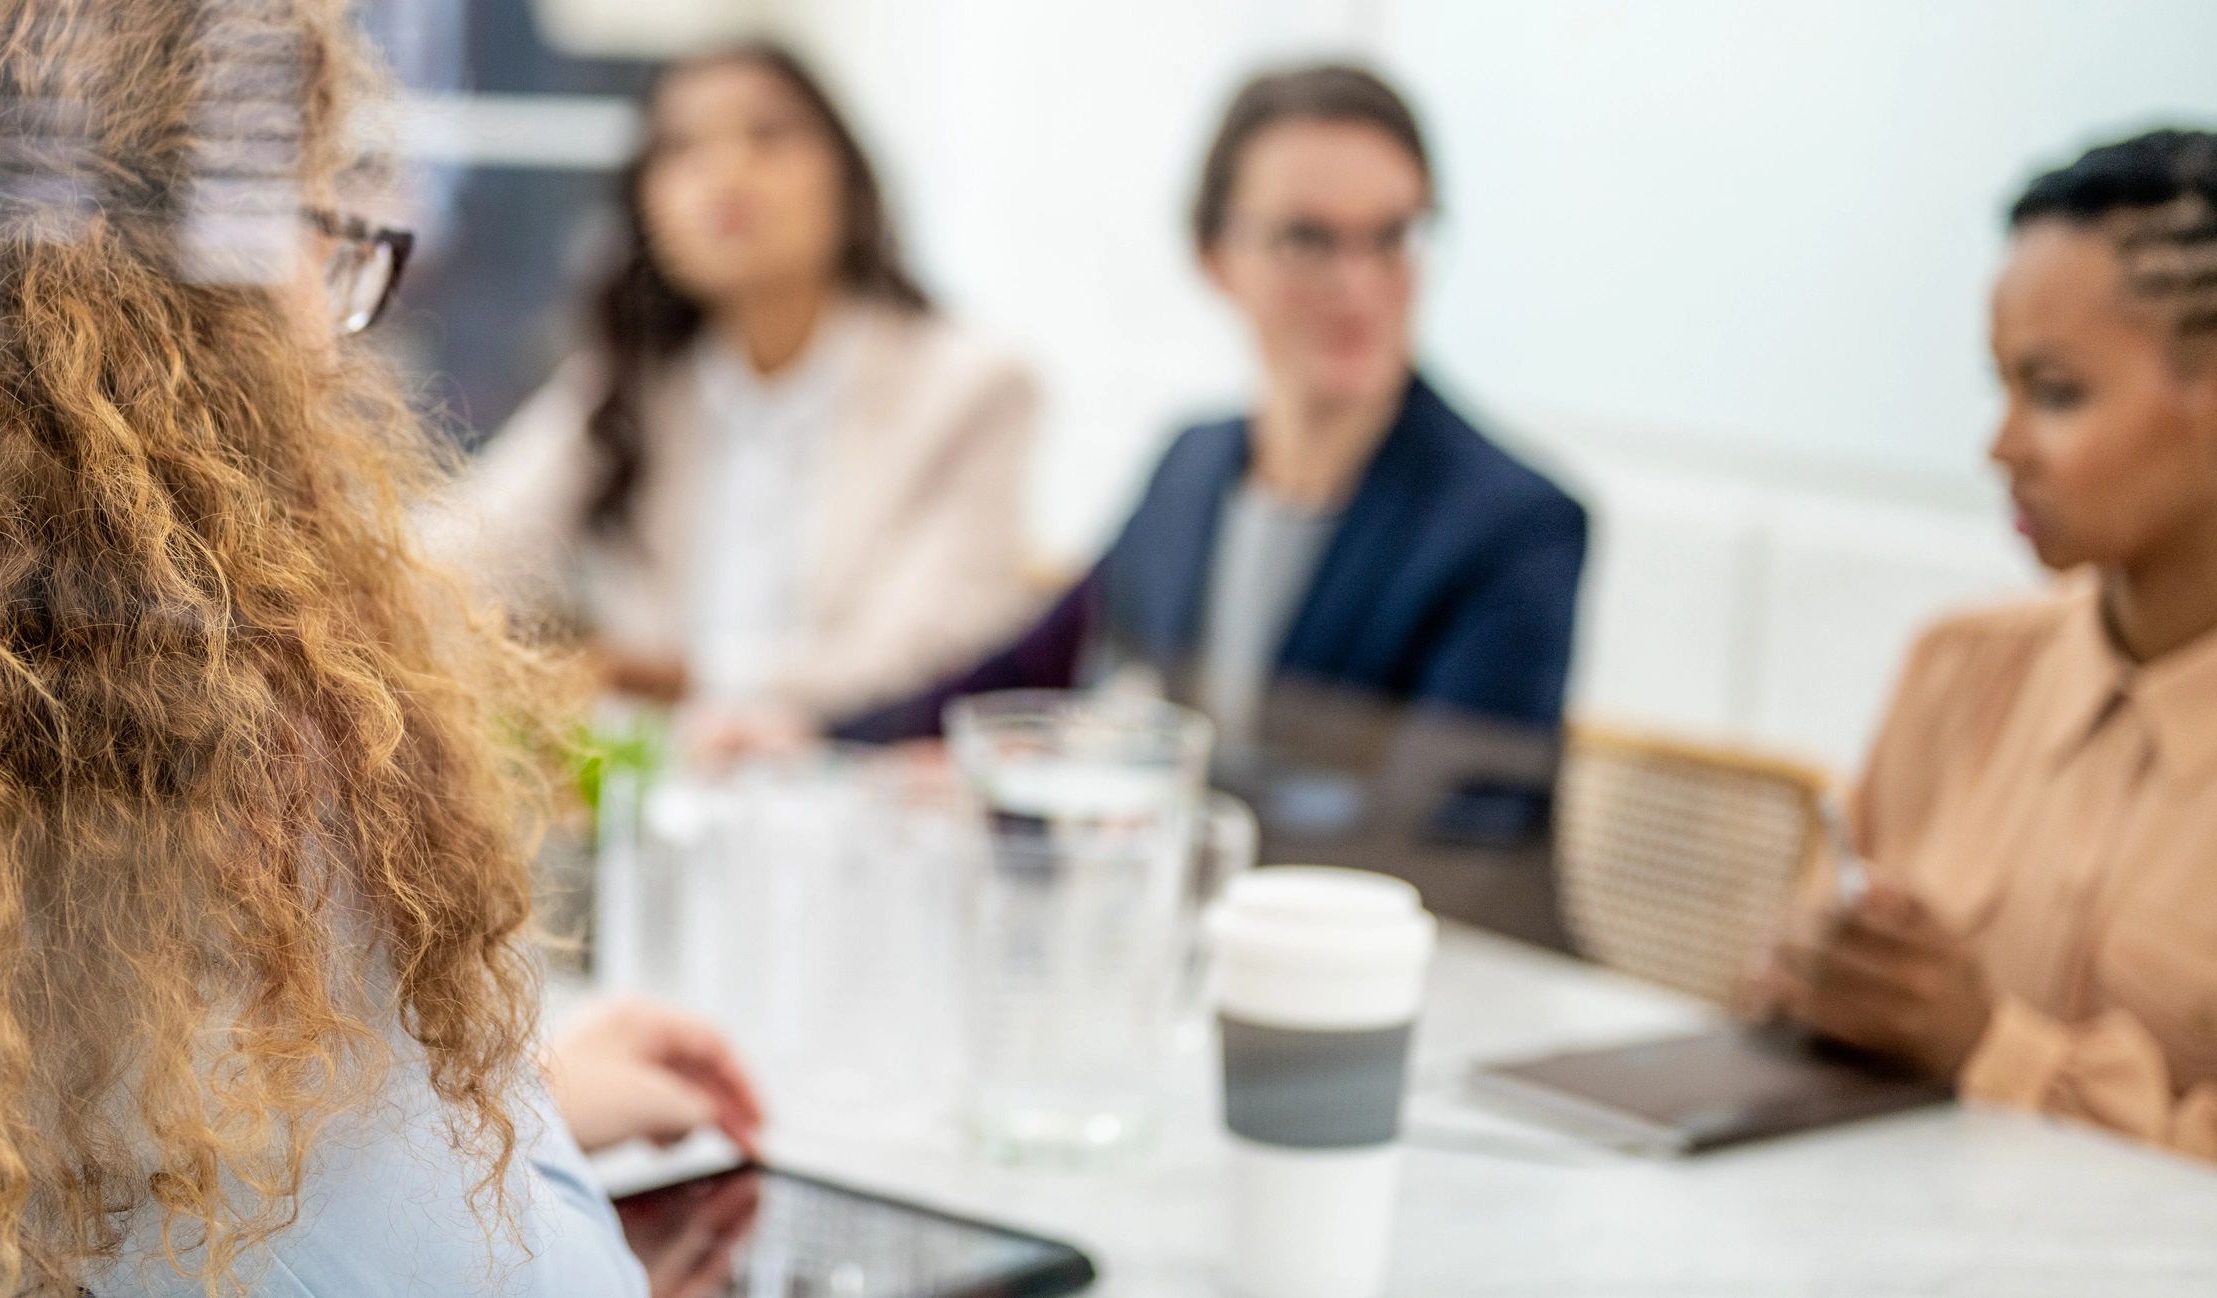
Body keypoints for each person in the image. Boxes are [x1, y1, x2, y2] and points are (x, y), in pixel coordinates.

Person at [0, 2, 758, 1294]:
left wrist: (470, 1097)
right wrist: (500, 1119)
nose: (338, 316)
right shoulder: (213, 744)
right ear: (209, 266)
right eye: (331, 226)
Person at [838, 64, 1587, 829]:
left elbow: (1450, 827)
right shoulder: (1193, 467)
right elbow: (1034, 666)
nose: (1360, 285)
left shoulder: (1514, 525)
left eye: (1393, 236)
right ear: (1214, 257)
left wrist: (1117, 801)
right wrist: (826, 740)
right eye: (1308, 239)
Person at [1764, 128, 2217, 1160]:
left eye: (2055, 392)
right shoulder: (1960, 664)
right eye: (2001, 386)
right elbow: (1791, 991)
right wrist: (1812, 971)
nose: (1999, 446)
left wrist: (1985, 1047)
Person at [451, 40, 1039, 734]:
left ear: (846, 178)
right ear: (646, 208)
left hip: (865, 790)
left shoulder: (970, 388)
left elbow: (918, 652)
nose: (726, 172)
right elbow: (463, 555)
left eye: (769, 134)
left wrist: (666, 674)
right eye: (681, 148)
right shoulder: (629, 381)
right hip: (651, 796)